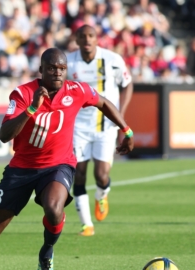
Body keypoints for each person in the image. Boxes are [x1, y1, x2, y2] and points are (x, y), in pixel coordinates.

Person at [0, 48, 134, 270]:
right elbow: (5, 135)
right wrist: (31, 109)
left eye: (61, 69)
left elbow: (102, 102)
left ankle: (46, 252)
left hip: (58, 165)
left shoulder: (76, 90)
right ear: (41, 70)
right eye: (51, 68)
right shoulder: (23, 93)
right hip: (21, 168)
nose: (57, 73)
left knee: (54, 207)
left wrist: (126, 129)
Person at [66, 25, 133, 236]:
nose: (87, 39)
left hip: (106, 126)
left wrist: (120, 115)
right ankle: (87, 225)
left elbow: (128, 84)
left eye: (91, 35)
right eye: (82, 36)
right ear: (76, 40)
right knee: (78, 174)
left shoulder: (113, 60)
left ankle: (102, 194)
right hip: (78, 127)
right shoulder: (68, 62)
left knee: (101, 175)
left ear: (97, 39)